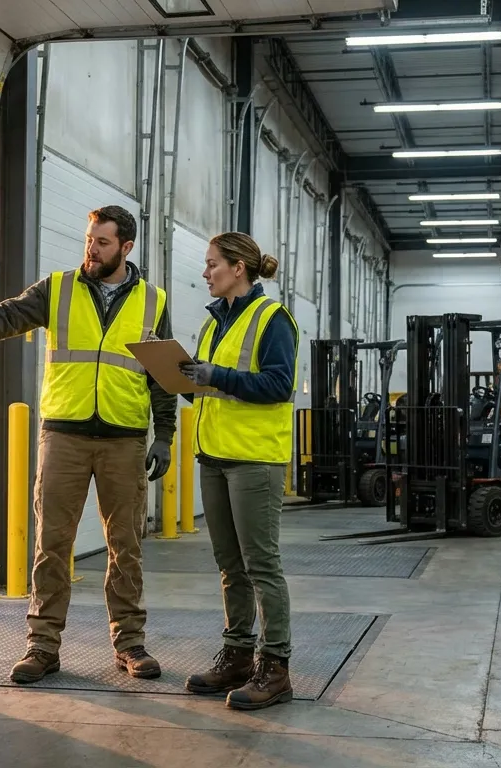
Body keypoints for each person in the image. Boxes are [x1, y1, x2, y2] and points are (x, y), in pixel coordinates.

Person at [0, 205, 177, 682]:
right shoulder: (59, 288)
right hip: (64, 437)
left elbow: (163, 374)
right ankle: (42, 646)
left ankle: (129, 643)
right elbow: (4, 316)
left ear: (126, 248)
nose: (92, 249)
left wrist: (166, 435)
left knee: (125, 547)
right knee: (52, 545)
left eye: (103, 243)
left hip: (125, 440)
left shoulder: (153, 300)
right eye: (89, 239)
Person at [177, 232, 299, 711]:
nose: (205, 273)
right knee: (231, 568)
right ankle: (238, 654)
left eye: (212, 265)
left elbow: (278, 385)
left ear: (238, 269)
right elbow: (210, 391)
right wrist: (172, 374)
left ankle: (276, 668)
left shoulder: (273, 319)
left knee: (262, 567)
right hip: (215, 456)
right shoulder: (213, 324)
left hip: (255, 460)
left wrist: (213, 375)